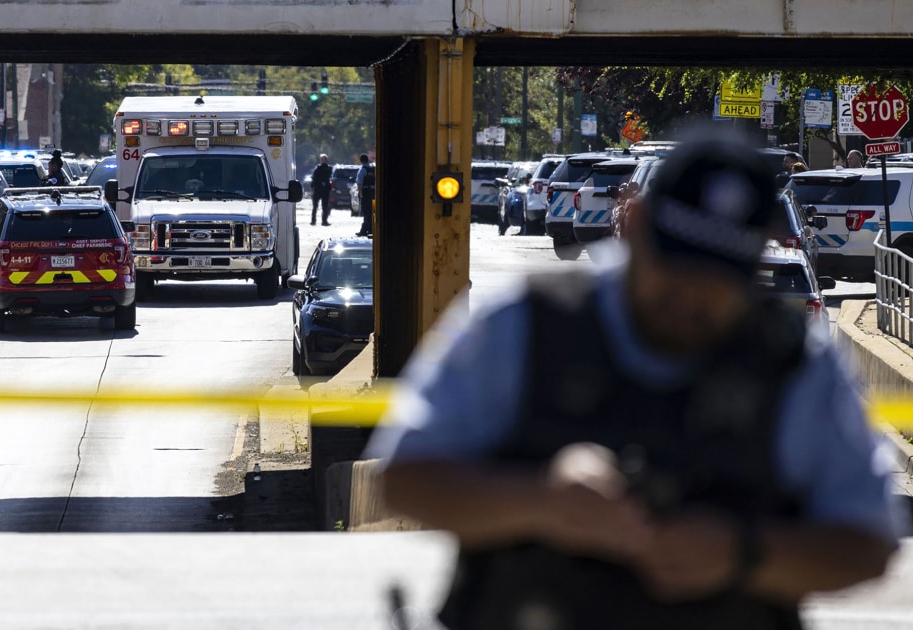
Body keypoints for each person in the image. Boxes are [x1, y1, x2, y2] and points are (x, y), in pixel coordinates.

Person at [367, 136, 904, 630]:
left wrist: (744, 553)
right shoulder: (525, 322)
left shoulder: (794, 363)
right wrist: (542, 500)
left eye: (719, 278)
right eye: (676, 266)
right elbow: (404, 479)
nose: (691, 297)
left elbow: (869, 543)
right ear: (635, 219)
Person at [356, 153, 376, 237]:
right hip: (373, 193)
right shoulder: (373, 169)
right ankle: (369, 229)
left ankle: (366, 230)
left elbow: (359, 183)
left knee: (366, 212)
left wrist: (361, 194)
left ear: (361, 161)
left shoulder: (362, 170)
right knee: (373, 211)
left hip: (366, 193)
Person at [311, 154, 332, 226]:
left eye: (323, 159)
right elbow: (314, 178)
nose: (322, 161)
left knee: (325, 206)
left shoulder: (328, 168)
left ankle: (324, 221)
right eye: (321, 159)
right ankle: (313, 221)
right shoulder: (317, 168)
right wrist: (312, 186)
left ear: (326, 160)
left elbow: (329, 177)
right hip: (318, 189)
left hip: (325, 190)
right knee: (315, 206)